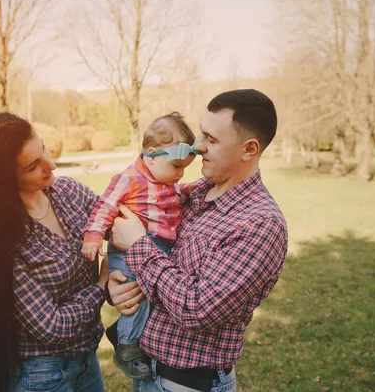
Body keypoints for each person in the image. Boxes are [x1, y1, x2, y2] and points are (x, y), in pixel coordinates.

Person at [109, 89, 288, 392]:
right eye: (202, 135)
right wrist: (116, 281)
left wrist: (139, 246)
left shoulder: (260, 224)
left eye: (212, 140)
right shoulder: (196, 192)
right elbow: (145, 232)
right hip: (148, 374)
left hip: (186, 385)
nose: (198, 147)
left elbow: (197, 309)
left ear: (249, 149)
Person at [0, 112, 108, 392]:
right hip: (42, 375)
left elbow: (114, 215)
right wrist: (103, 285)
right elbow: (52, 326)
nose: (51, 165)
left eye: (43, 148)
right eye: (33, 166)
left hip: (87, 361)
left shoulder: (68, 192)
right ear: (3, 181)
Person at [82, 112, 199, 380]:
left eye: (184, 169)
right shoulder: (129, 179)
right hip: (127, 250)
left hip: (156, 246)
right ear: (151, 154)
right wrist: (93, 237)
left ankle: (127, 334)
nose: (180, 175)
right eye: (177, 167)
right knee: (137, 297)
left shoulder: (165, 179)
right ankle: (127, 346)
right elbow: (106, 206)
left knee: (156, 296)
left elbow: (178, 195)